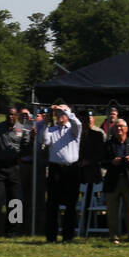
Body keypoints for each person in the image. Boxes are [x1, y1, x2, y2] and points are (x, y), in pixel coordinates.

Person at [37, 104, 82, 243]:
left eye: (62, 113)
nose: (59, 115)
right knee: (52, 204)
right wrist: (45, 123)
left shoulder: (73, 130)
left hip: (71, 169)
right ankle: (51, 236)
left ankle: (68, 236)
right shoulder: (52, 130)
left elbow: (78, 124)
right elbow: (44, 140)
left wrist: (67, 110)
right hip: (55, 168)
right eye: (57, 113)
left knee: (71, 204)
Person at [0, 106, 29, 238]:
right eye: (9, 115)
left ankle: (12, 231)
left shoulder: (22, 129)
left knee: (15, 201)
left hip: (14, 168)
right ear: (5, 115)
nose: (11, 117)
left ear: (17, 116)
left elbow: (26, 149)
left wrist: (31, 139)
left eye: (13, 115)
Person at [103, 119, 129, 244]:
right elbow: (102, 161)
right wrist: (112, 162)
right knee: (112, 211)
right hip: (113, 180)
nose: (119, 129)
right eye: (116, 127)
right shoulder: (108, 144)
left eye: (121, 127)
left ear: (126, 129)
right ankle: (114, 236)